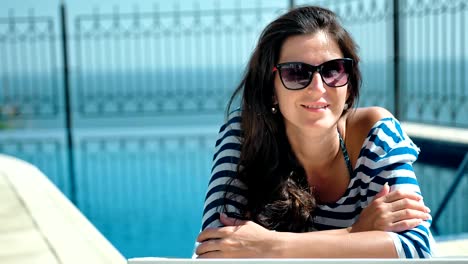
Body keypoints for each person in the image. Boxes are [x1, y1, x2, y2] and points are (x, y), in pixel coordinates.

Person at [195, 5, 434, 258]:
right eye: (296, 73)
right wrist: (357, 232)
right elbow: (215, 249)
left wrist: (272, 245)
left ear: (349, 86)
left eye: (333, 70)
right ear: (271, 90)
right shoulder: (245, 135)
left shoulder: (374, 135)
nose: (318, 87)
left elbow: (416, 248)